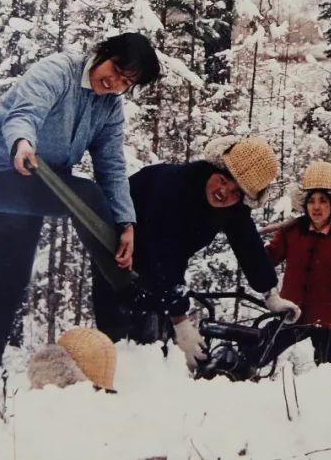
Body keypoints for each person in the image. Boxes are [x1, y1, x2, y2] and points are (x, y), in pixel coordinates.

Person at [0, 32, 160, 393]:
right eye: (115, 71)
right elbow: (25, 112)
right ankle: (128, 292)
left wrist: (126, 222)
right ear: (102, 53)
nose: (115, 84)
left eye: (126, 83)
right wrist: (22, 142)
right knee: (88, 195)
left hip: (37, 179)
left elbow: (112, 166)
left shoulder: (110, 108)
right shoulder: (58, 71)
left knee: (10, 275)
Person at [91, 136, 301, 369]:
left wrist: (270, 294)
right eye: (222, 180)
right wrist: (181, 321)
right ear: (214, 169)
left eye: (235, 192)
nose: (224, 192)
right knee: (124, 346)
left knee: (158, 344)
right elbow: (165, 252)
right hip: (117, 253)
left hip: (159, 270)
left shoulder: (232, 207)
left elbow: (248, 244)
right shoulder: (174, 186)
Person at [254, 161, 331, 369]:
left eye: (323, 201)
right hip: (292, 313)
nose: (316, 207)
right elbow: (269, 259)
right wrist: (252, 246)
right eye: (311, 201)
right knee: (257, 350)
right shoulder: (290, 233)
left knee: (327, 371)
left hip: (329, 320)